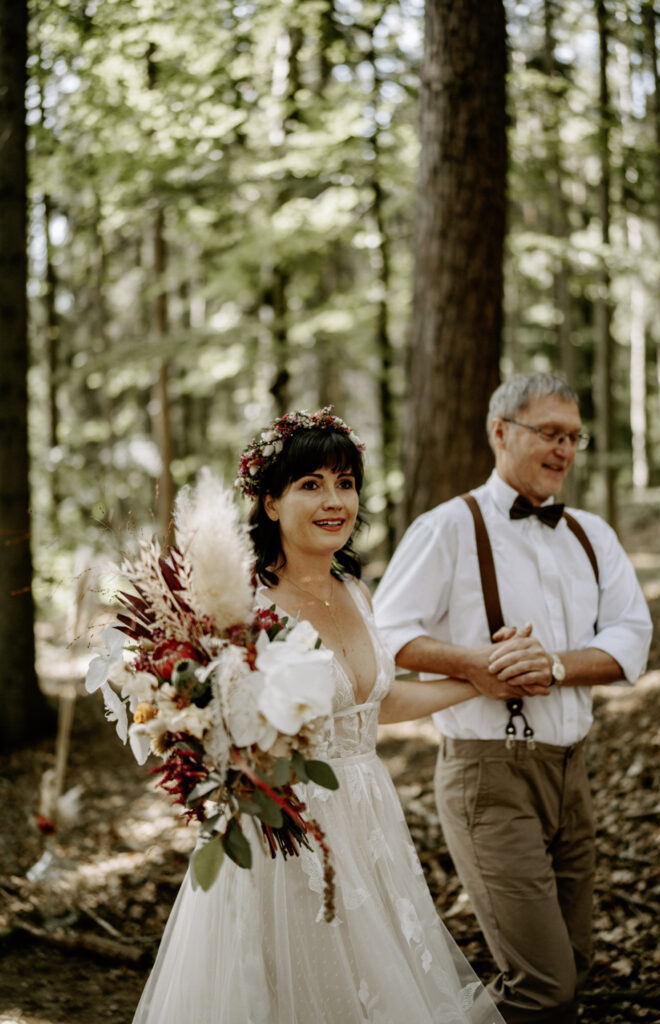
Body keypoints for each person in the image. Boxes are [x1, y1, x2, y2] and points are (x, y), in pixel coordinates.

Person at [132, 407, 505, 1024]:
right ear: (271, 503)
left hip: (368, 816)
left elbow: (369, 708)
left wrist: (474, 681)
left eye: (346, 482)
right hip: (283, 830)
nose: (335, 500)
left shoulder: (356, 591)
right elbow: (199, 722)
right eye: (311, 485)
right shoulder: (241, 604)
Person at [373, 373, 653, 1024]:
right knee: (542, 985)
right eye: (549, 434)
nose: (563, 450)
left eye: (573, 438)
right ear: (500, 432)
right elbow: (382, 636)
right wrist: (472, 664)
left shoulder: (591, 534)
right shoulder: (446, 528)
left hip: (570, 772)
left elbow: (631, 637)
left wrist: (552, 665)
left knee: (572, 968)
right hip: (487, 775)